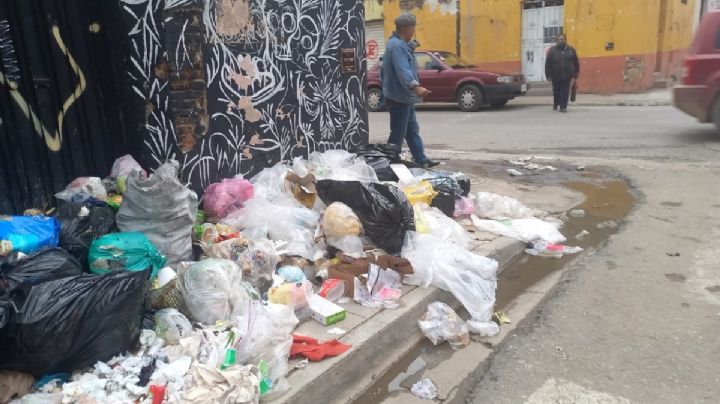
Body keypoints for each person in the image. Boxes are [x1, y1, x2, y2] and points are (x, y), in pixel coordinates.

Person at [381, 14, 439, 168]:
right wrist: (415, 86)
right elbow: (402, 69)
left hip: (405, 97)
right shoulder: (396, 46)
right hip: (398, 97)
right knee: (398, 133)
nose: (414, 30)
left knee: (412, 130)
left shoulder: (399, 44)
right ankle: (389, 163)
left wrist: (411, 46)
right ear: (407, 28)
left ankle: (421, 159)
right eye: (413, 27)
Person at [545, 34, 579, 113]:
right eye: (559, 39)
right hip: (555, 75)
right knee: (556, 91)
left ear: (565, 40)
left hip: (567, 75)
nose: (561, 40)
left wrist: (576, 73)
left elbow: (576, 62)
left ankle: (563, 106)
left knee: (565, 91)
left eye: (562, 39)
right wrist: (548, 75)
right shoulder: (552, 50)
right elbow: (547, 64)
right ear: (557, 41)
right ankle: (556, 103)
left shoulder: (571, 49)